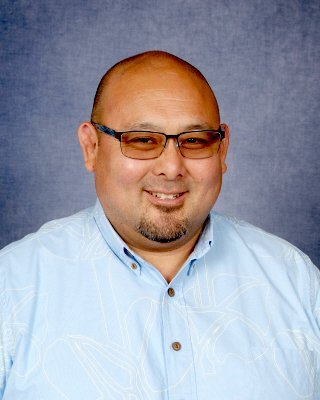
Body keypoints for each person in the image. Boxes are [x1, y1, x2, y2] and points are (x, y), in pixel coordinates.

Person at [0, 50, 319, 400]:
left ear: (222, 150)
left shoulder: (295, 280)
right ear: (91, 146)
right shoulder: (12, 287)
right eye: (141, 139)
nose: (171, 167)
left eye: (195, 140)